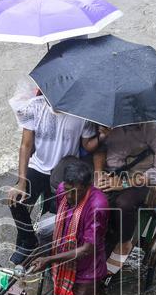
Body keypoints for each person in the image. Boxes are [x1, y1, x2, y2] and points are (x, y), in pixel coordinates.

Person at [6, 88, 97, 265]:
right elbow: (25, 145)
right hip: (38, 166)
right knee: (16, 200)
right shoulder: (33, 107)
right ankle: (28, 241)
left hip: (64, 171)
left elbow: (88, 144)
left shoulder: (82, 115)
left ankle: (51, 256)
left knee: (54, 219)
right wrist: (21, 182)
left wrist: (101, 136)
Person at [28, 159, 108, 295]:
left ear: (87, 187)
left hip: (86, 271)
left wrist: (49, 259)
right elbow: (62, 222)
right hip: (65, 262)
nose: (70, 196)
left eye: (76, 192)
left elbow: (88, 249)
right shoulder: (63, 190)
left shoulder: (98, 205)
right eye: (68, 190)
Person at [86, 121, 156, 276]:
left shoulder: (153, 127)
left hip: (140, 178)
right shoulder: (107, 121)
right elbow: (97, 150)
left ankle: (124, 243)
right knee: (92, 200)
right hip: (110, 173)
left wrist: (125, 183)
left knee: (123, 204)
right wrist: (99, 173)